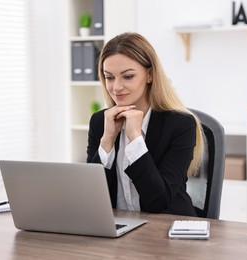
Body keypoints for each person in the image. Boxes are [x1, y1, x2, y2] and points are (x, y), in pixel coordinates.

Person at [86, 32, 204, 216]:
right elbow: (90, 198)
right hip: (117, 230)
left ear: (149, 75)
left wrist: (135, 139)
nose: (116, 87)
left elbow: (159, 201)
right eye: (109, 77)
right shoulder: (100, 122)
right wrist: (107, 139)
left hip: (166, 229)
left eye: (128, 76)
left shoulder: (181, 125)